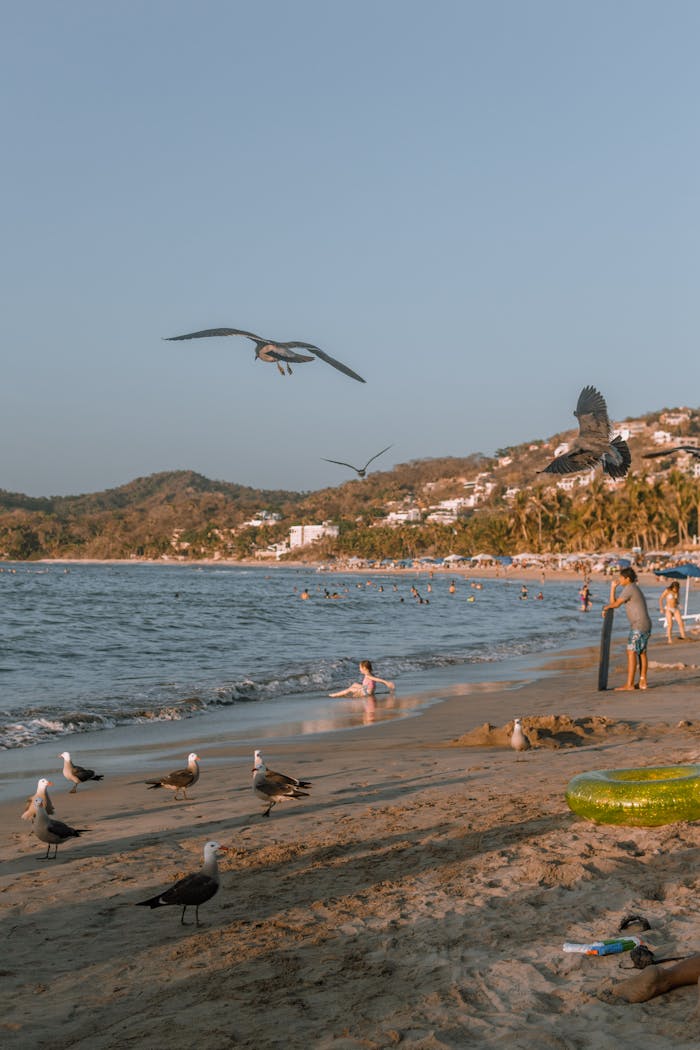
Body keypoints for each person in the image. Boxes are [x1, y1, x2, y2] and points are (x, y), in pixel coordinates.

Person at [602, 567, 651, 691]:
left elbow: (615, 605)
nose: (619, 580)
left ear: (627, 579)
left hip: (638, 625)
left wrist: (606, 608)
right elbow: (615, 602)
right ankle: (642, 682)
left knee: (631, 652)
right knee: (641, 652)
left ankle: (629, 684)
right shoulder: (632, 588)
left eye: (620, 578)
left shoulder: (629, 588)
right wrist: (613, 589)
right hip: (645, 624)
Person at [329, 660, 395, 698]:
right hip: (367, 689)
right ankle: (351, 694)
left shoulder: (368, 675)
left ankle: (335, 695)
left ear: (364, 668)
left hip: (366, 693)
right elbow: (376, 679)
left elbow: (377, 679)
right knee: (354, 684)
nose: (359, 669)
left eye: (360, 668)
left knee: (350, 689)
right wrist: (386, 684)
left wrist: (386, 682)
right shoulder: (371, 674)